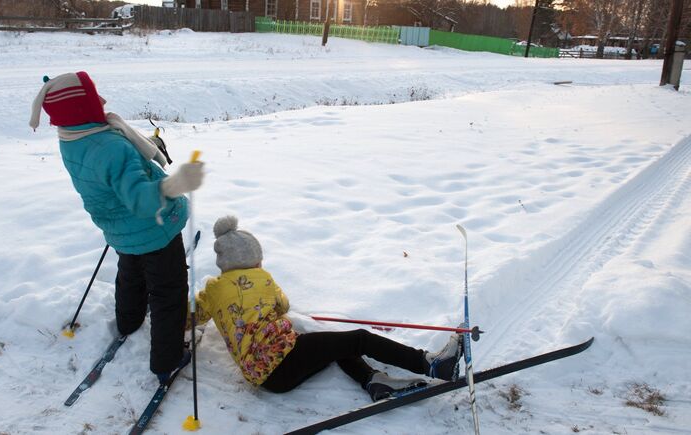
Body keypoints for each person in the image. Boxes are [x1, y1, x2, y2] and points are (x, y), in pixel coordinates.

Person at [29, 71, 205, 383]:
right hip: (155, 228)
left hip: (119, 228)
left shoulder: (73, 138)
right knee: (169, 292)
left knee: (131, 271)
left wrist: (141, 151)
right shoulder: (111, 147)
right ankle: (168, 360)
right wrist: (176, 184)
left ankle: (128, 321)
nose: (103, 100)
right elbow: (142, 200)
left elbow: (110, 171)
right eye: (93, 95)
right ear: (80, 106)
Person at [192, 215, 463, 401]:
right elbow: (283, 305)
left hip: (265, 376)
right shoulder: (264, 278)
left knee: (335, 345)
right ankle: (430, 364)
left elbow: (193, 317)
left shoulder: (214, 289)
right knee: (359, 339)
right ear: (254, 259)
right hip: (281, 360)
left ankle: (373, 380)